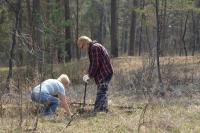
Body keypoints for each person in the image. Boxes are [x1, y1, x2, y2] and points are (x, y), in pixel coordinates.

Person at [77, 36, 113, 113]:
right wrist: (88, 73)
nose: (82, 49)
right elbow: (93, 63)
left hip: (105, 73)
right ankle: (103, 110)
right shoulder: (93, 48)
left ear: (86, 43)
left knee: (101, 92)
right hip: (104, 73)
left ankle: (98, 111)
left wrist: (89, 75)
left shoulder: (94, 48)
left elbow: (96, 64)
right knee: (102, 91)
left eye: (82, 46)